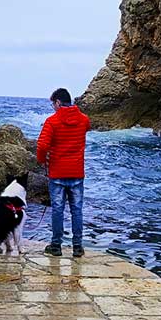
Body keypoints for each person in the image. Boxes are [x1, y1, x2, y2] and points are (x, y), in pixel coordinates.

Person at [36, 87, 91, 257]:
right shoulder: (84, 120)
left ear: (58, 102)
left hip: (58, 172)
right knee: (77, 210)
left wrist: (41, 160)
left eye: (53, 103)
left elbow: (42, 146)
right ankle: (77, 246)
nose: (53, 107)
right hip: (76, 172)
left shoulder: (52, 121)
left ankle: (56, 246)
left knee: (58, 210)